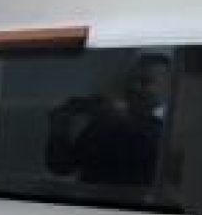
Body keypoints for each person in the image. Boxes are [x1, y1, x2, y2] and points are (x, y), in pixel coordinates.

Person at [45, 54, 172, 186]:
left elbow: (152, 155)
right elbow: (61, 167)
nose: (134, 86)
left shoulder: (173, 127)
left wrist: (119, 119)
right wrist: (58, 132)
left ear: (168, 88)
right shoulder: (105, 121)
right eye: (131, 80)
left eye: (145, 82)